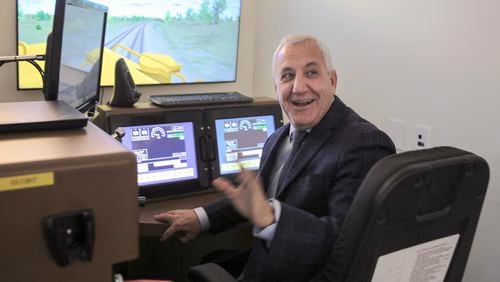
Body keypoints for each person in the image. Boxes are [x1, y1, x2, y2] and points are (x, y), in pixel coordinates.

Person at [154, 34, 396, 281]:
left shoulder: (364, 143)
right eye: (287, 76)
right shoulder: (278, 137)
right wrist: (201, 218)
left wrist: (271, 217)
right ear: (276, 88)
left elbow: (346, 242)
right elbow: (256, 197)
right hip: (263, 261)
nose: (298, 88)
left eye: (311, 73)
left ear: (332, 81)